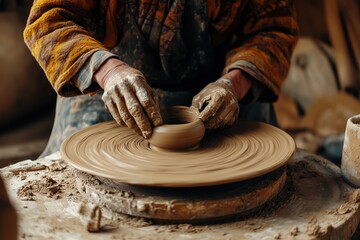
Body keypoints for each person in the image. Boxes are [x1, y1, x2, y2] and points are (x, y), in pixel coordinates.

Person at [24, 0, 299, 156]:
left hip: (224, 95)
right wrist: (109, 71)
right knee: (77, 183)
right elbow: (48, 21)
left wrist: (234, 83)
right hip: (106, 89)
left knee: (264, 181)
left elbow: (274, 28)